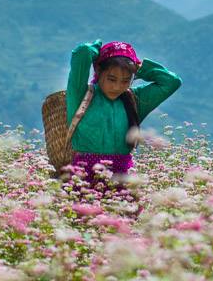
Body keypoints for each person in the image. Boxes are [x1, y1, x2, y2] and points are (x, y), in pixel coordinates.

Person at [63, 39, 181, 195]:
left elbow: (172, 82)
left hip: (122, 178)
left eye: (125, 81)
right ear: (98, 71)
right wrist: (97, 49)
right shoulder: (81, 95)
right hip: (84, 178)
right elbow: (82, 52)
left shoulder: (134, 100)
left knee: (121, 218)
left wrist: (139, 68)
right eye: (111, 79)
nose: (117, 87)